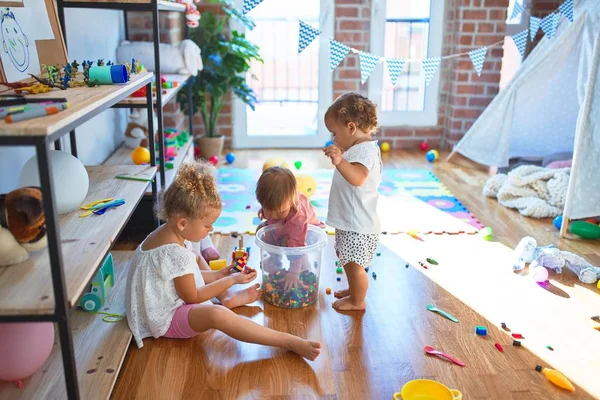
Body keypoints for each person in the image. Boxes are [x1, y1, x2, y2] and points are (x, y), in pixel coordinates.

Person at [125, 161, 321, 360]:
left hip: (163, 296)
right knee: (217, 315)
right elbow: (192, 296)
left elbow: (180, 276)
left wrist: (220, 273)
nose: (210, 230)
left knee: (195, 257)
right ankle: (287, 341)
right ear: (183, 223)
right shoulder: (177, 253)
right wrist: (231, 280)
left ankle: (228, 299)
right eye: (207, 225)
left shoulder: (167, 235)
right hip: (165, 317)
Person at [322, 92, 382, 311]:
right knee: (347, 258)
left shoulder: (365, 151)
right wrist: (341, 157)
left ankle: (358, 300)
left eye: (334, 133)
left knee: (355, 266)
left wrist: (339, 160)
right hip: (353, 221)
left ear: (350, 128)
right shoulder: (358, 149)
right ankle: (354, 289)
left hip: (358, 224)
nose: (333, 139)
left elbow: (357, 178)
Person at [255, 166, 325, 289]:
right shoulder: (279, 204)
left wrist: (293, 273)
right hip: (285, 226)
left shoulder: (298, 216)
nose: (272, 215)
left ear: (291, 201)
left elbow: (297, 246)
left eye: (279, 211)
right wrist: (265, 211)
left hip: (306, 234)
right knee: (262, 230)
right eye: (268, 209)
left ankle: (304, 267)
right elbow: (273, 208)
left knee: (291, 245)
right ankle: (275, 258)